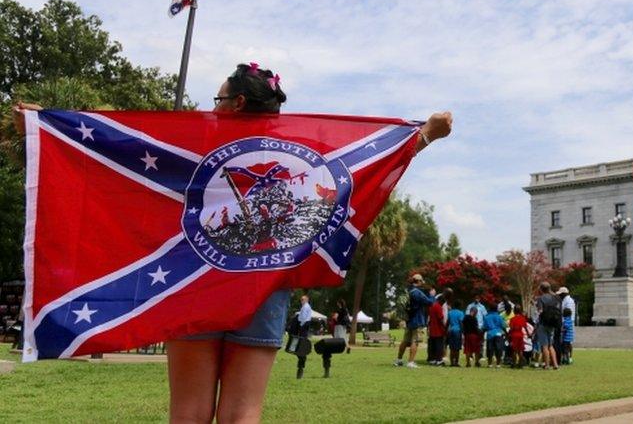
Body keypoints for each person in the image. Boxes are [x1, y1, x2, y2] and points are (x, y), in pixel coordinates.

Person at [14, 62, 454, 422]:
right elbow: (357, 165)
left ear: (237, 101)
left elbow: (121, 155)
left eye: (218, 98)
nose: (214, 104)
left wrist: (46, 130)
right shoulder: (298, 153)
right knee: (243, 413)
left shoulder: (194, 148)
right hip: (262, 291)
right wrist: (423, 135)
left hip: (192, 286)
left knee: (188, 411)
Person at [395, 274, 435, 368]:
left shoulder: (408, 290)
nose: (422, 283)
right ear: (419, 281)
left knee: (405, 341)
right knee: (415, 341)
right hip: (417, 319)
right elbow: (429, 302)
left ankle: (399, 360)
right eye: (421, 281)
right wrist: (432, 295)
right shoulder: (417, 292)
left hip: (409, 319)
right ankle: (411, 362)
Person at [535, 282, 561, 370]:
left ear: (541, 289)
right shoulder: (555, 298)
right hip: (552, 323)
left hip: (543, 323)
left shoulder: (540, 298)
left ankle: (546, 364)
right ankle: (555, 364)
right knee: (551, 345)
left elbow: (540, 311)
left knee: (544, 346)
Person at [295, 294, 313, 379]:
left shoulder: (306, 307)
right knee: (301, 343)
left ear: (306, 300)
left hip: (304, 325)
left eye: (302, 299)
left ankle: (301, 364)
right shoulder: (305, 306)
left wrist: (300, 326)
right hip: (304, 325)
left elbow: (304, 318)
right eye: (301, 299)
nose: (301, 301)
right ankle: (301, 360)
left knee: (301, 343)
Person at [427, 293, 447, 366]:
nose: (442, 304)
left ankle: (432, 359)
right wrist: (445, 327)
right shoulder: (438, 307)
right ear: (441, 301)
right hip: (438, 330)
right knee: (439, 345)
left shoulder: (431, 306)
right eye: (443, 303)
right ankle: (439, 360)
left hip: (432, 329)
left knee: (433, 345)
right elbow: (441, 318)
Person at [445, 289, 464, 367]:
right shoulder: (460, 313)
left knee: (452, 348)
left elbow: (447, 323)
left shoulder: (450, 312)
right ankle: (456, 362)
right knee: (457, 348)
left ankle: (451, 362)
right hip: (457, 331)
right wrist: (463, 332)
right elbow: (461, 323)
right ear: (459, 305)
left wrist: (446, 330)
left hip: (451, 330)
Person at [507, 304, 528, 369]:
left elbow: (511, 328)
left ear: (514, 311)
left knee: (514, 350)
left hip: (514, 335)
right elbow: (525, 327)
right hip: (520, 335)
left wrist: (508, 334)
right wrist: (528, 334)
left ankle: (513, 363)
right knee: (520, 350)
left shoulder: (512, 319)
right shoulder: (523, 318)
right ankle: (520, 364)